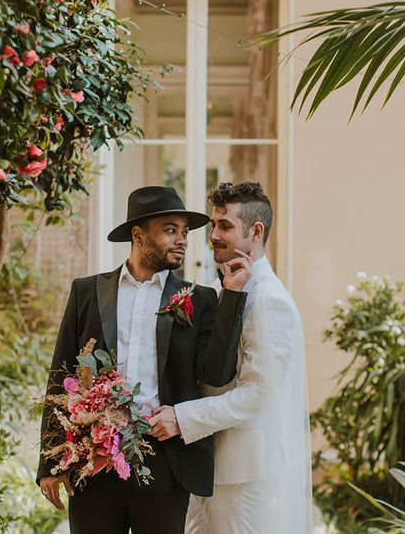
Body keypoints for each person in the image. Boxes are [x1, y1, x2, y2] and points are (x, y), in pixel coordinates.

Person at [37, 185, 251, 534]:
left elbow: (216, 372)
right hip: (94, 459)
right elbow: (60, 374)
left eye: (184, 232)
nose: (182, 240)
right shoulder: (87, 292)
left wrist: (233, 296)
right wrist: (50, 460)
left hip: (164, 461)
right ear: (137, 234)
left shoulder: (200, 299)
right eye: (170, 230)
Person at [149, 181, 313, 533]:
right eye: (213, 225)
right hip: (211, 466)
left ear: (255, 232)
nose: (213, 235)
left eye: (225, 226)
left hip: (244, 475)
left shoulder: (270, 300)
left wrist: (182, 417)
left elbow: (258, 395)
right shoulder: (234, 286)